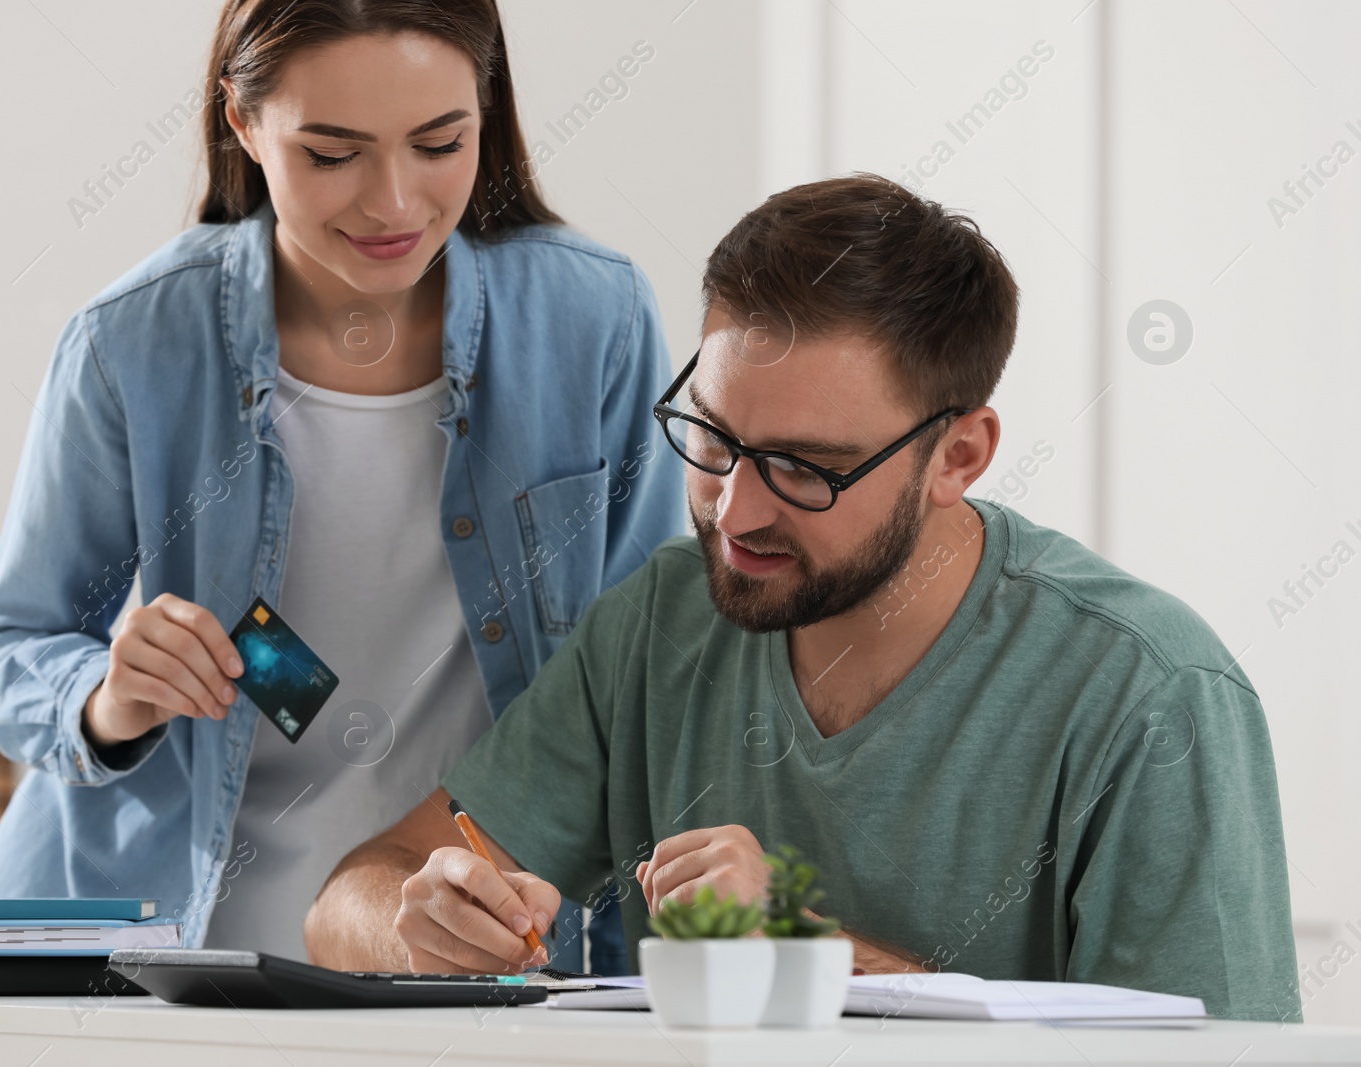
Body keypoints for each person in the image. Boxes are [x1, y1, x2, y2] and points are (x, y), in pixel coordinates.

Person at [304, 174, 1302, 1023]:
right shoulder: (662, 620)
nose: (733, 510)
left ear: (958, 454)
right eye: (714, 437)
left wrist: (796, 947)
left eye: (803, 465)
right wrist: (414, 917)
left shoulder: (1152, 692)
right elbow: (349, 897)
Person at [0, 0, 682, 970]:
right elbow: (13, 640)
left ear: (487, 108)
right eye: (332, 154)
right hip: (170, 954)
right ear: (243, 122)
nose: (392, 203)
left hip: (462, 951)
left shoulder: (596, 319)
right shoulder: (131, 339)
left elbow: (645, 673)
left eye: (439, 142)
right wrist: (106, 696)